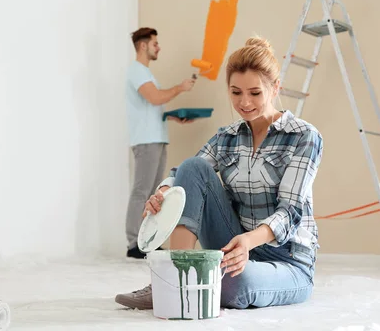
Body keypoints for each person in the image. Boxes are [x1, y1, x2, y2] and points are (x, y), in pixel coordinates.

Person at [115, 36, 324, 310]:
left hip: (286, 260)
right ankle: (172, 279)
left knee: (236, 284)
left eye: (255, 93)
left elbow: (290, 212)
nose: (244, 102)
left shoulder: (304, 136)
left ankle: (193, 282)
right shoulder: (227, 136)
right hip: (234, 245)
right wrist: (163, 192)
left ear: (275, 89)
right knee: (193, 167)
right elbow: (186, 175)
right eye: (236, 92)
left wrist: (248, 242)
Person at [125, 27, 197, 259]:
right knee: (142, 191)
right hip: (146, 140)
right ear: (143, 45)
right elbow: (154, 97)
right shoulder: (137, 71)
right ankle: (134, 243)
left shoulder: (145, 73)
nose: (159, 47)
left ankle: (147, 241)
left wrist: (172, 116)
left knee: (154, 194)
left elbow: (152, 106)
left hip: (155, 138)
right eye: (155, 43)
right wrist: (180, 88)